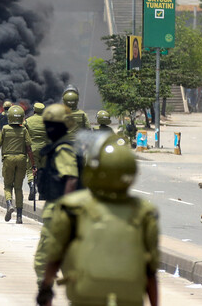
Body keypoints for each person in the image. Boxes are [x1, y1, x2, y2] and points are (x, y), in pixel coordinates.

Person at [37, 134, 159, 306]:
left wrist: (45, 290)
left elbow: (55, 256)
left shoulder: (73, 207)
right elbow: (150, 271)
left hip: (85, 298)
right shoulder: (145, 212)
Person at [33, 103, 80, 283]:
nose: (50, 129)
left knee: (43, 263)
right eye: (48, 125)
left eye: (54, 126)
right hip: (57, 212)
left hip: (58, 214)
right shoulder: (59, 147)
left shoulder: (63, 149)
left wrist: (64, 211)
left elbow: (71, 177)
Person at [0, 105, 33, 223]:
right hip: (21, 159)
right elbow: (29, 148)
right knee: (18, 188)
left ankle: (9, 204)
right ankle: (19, 216)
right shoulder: (24, 130)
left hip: (8, 159)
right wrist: (33, 165)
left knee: (8, 186)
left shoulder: (5, 129)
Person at [24, 102, 48, 202]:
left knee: (30, 169)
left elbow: (23, 134)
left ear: (34, 111)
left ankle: (32, 185)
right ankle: (42, 193)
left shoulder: (28, 121)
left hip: (32, 149)